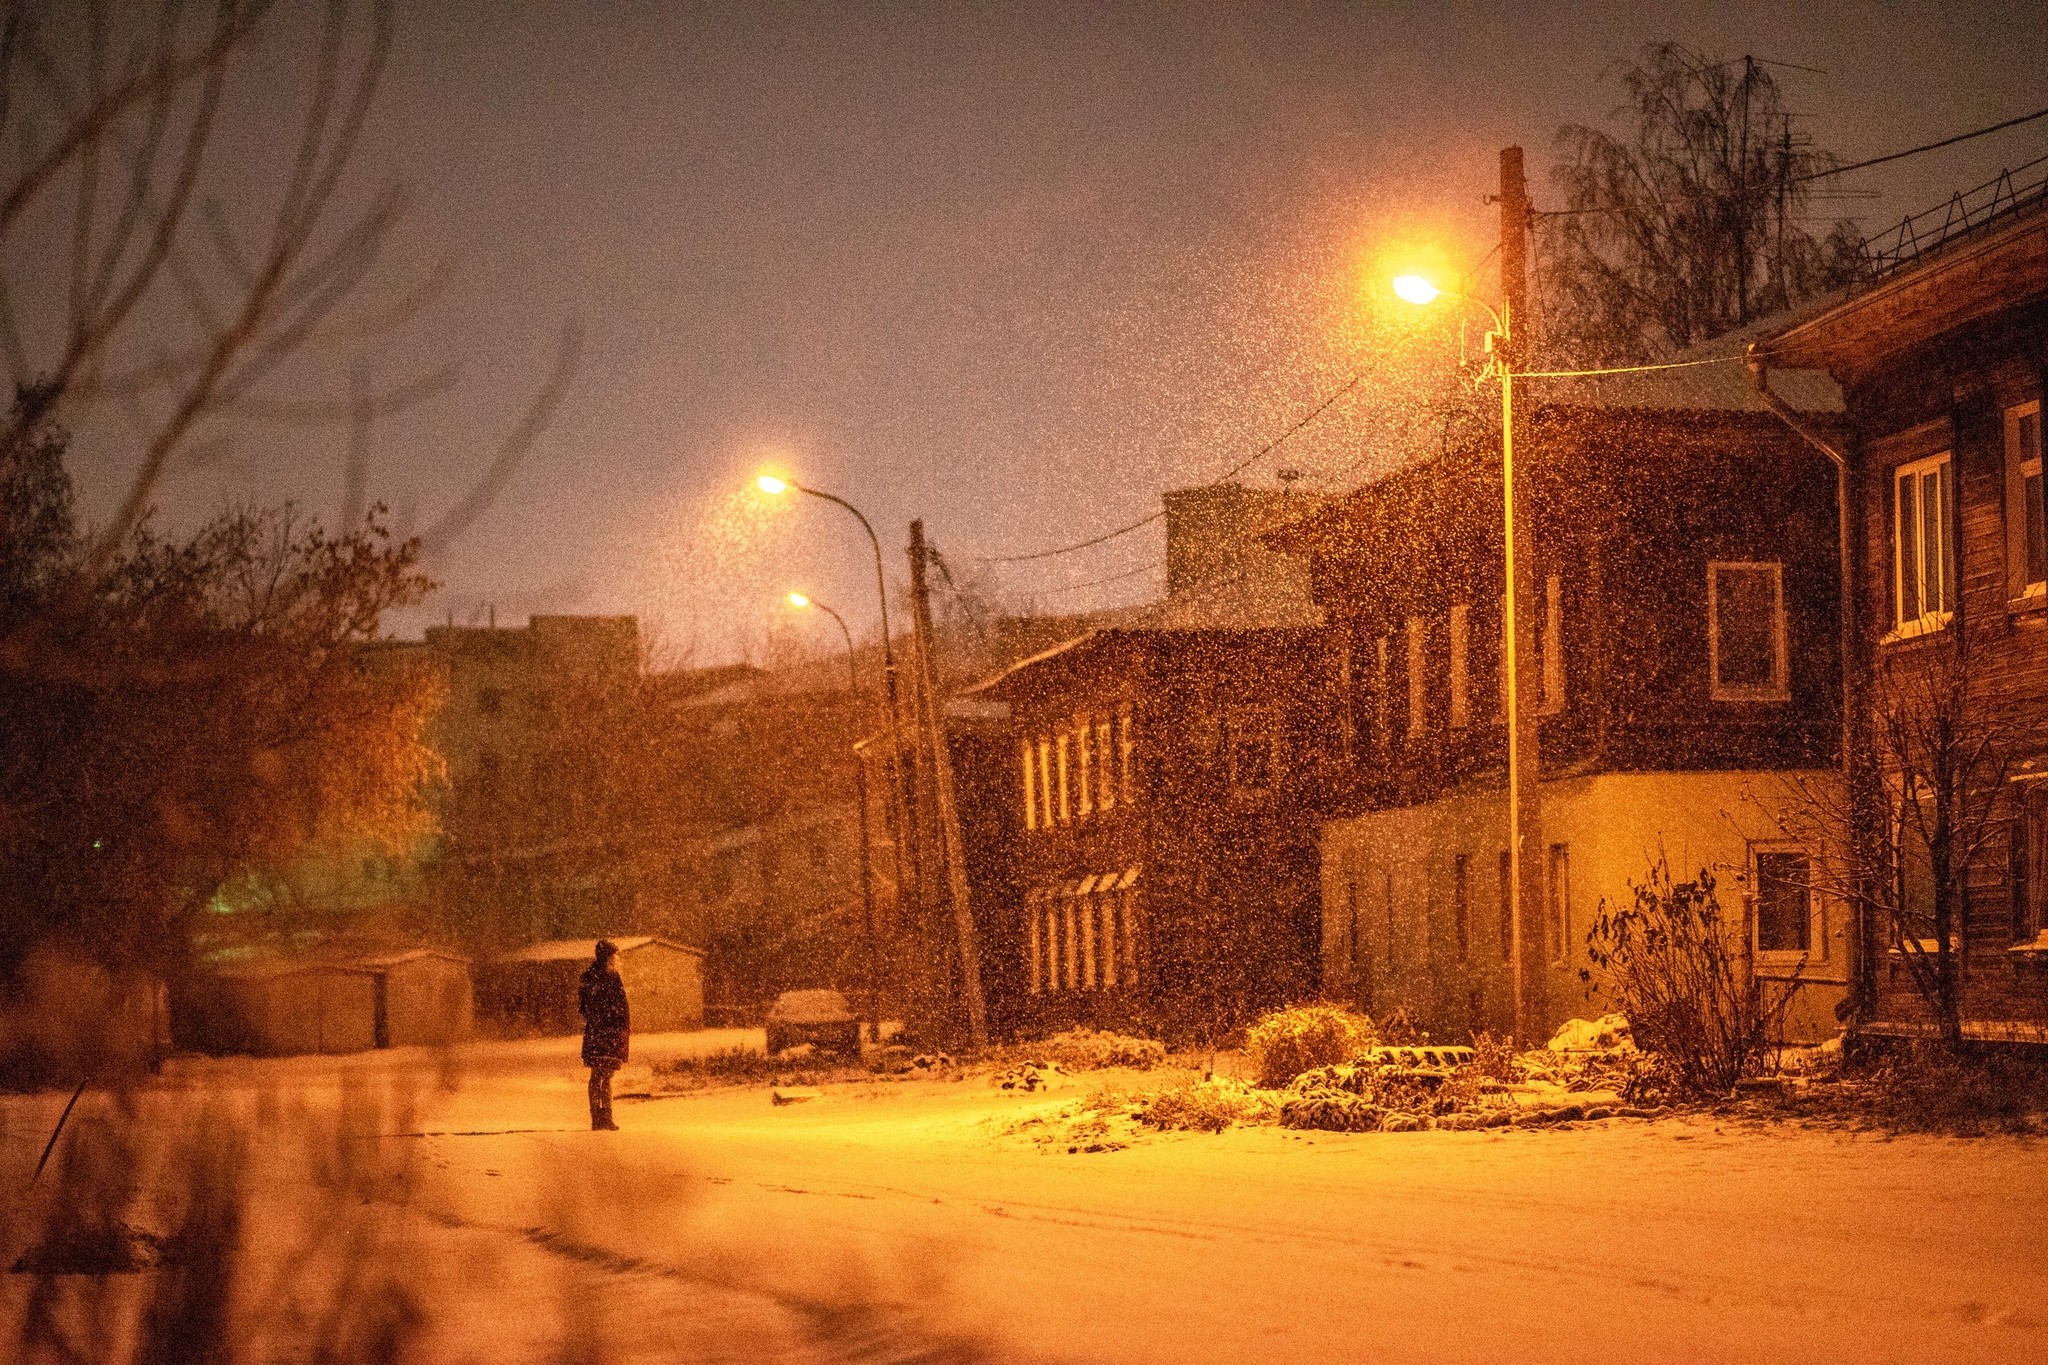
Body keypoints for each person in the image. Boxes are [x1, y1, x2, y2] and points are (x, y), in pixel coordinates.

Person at [579, 940, 630, 1131]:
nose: (616, 959)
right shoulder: (609, 978)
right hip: (606, 1033)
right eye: (614, 955)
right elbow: (619, 1006)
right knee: (604, 1075)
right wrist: (613, 1022)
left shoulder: (589, 977)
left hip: (599, 1032)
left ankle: (600, 1116)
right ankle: (603, 1116)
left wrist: (598, 1019)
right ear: (607, 957)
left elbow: (583, 1007)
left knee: (600, 1075)